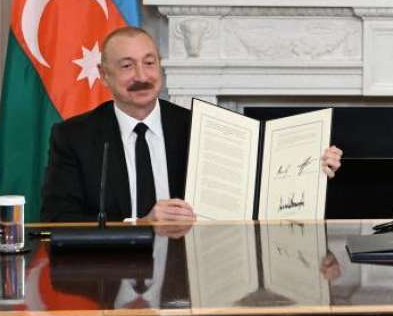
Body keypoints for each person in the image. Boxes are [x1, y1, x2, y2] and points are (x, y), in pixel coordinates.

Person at [40, 26, 343, 223]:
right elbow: (56, 220)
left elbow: (256, 192)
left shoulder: (199, 127)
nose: (142, 76)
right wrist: (139, 225)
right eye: (127, 66)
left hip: (189, 274)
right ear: (104, 75)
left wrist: (311, 168)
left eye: (149, 62)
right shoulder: (74, 137)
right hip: (108, 281)